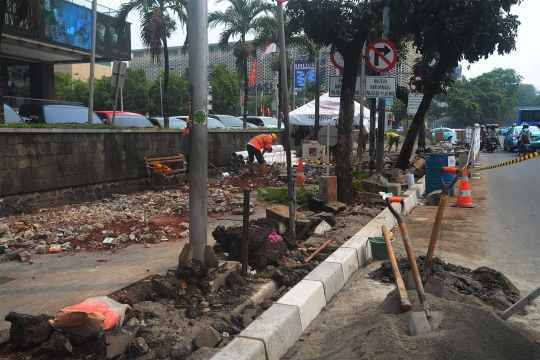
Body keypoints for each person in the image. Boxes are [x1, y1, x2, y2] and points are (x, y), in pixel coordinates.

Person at [182, 117, 191, 184]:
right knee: (191, 167)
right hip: (191, 152)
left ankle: (188, 180)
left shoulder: (184, 131)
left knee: (188, 166)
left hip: (186, 152)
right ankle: (190, 180)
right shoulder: (190, 132)